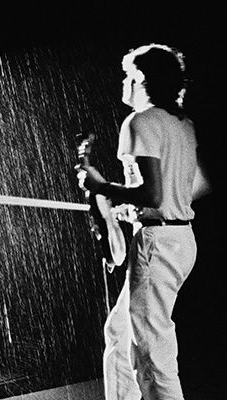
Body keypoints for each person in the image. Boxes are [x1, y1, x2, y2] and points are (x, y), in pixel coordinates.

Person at [77, 43, 212, 400]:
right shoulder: (182, 123)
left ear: (140, 79)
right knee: (120, 333)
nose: (124, 81)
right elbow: (197, 185)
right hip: (180, 240)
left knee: (153, 353)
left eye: (128, 75)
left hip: (158, 244)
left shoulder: (140, 121)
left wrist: (104, 187)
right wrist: (135, 207)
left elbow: (152, 195)